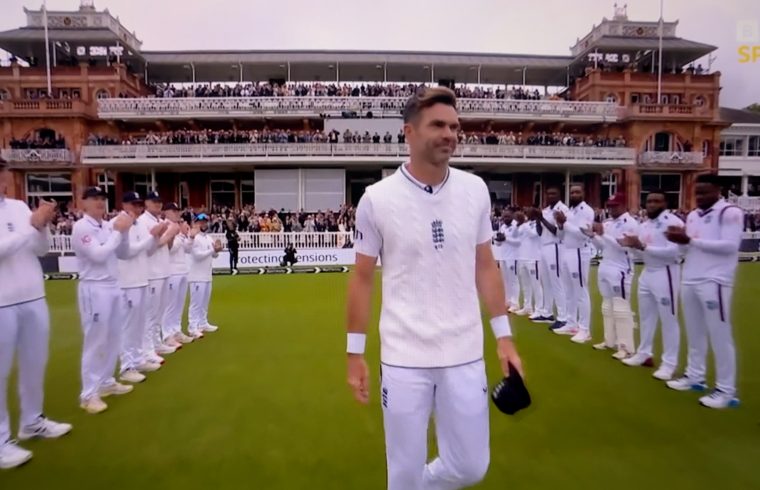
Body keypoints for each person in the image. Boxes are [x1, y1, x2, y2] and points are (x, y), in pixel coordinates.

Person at [345, 87, 523, 490]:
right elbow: (361, 278)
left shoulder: (475, 190)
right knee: (403, 473)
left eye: (455, 126)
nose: (450, 134)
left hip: (464, 351)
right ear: (408, 132)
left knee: (470, 467)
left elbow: (485, 265)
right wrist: (354, 354)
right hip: (404, 356)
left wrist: (504, 337)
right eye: (438, 125)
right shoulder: (376, 199)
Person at [0, 158, 71, 469]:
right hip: (1, 302)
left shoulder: (17, 206)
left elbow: (41, 250)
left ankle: (32, 420)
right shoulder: (22, 216)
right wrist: (30, 228)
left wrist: (41, 227)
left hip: (32, 296)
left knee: (34, 364)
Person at [664, 174, 744, 409]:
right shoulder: (693, 215)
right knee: (695, 332)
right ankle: (694, 375)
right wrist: (679, 244)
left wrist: (689, 241)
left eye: (705, 192)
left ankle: (726, 390)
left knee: (720, 335)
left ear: (717, 190)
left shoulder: (729, 212)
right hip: (690, 278)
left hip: (715, 280)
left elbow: (730, 246)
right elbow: (688, 247)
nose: (699, 197)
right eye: (697, 192)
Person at [72, 186, 135, 414]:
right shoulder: (81, 227)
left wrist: (124, 232)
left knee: (113, 336)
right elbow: (98, 255)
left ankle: (107, 382)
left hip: (113, 285)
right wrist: (119, 232)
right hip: (94, 288)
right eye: (94, 199)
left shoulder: (108, 226)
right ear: (84, 202)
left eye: (102, 198)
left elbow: (124, 253)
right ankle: (88, 394)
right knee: (95, 340)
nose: (99, 202)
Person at [618, 190, 683, 379]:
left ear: (665, 203)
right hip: (648, 272)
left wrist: (642, 247)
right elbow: (638, 254)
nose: (652, 204)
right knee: (646, 316)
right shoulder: (645, 225)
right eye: (649, 201)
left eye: (657, 201)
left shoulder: (673, 222)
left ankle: (669, 364)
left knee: (668, 319)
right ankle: (644, 352)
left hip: (667, 272)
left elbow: (674, 252)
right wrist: (631, 245)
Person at [116, 191, 164, 384]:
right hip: (127, 282)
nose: (137, 208)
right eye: (133, 205)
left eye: (138, 205)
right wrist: (150, 238)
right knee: (128, 325)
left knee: (138, 324)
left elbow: (149, 251)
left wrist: (154, 238)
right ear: (125, 205)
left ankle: (137, 359)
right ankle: (126, 366)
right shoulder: (120, 223)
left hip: (142, 279)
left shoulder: (139, 225)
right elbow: (126, 252)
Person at [586, 193, 638, 354]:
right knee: (607, 306)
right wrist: (593, 236)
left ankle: (626, 347)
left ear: (623, 205)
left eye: (615, 205)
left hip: (621, 269)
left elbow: (624, 246)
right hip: (605, 266)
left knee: (621, 308)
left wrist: (603, 234)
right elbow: (603, 246)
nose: (611, 208)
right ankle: (609, 341)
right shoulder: (608, 223)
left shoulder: (630, 223)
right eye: (609, 205)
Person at [137, 192, 180, 357]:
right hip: (152, 273)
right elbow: (149, 249)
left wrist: (170, 236)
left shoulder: (160, 221)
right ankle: (147, 350)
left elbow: (167, 247)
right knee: (151, 313)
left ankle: (156, 343)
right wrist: (168, 234)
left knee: (159, 312)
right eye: (154, 202)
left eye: (160, 202)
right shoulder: (143, 222)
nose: (158, 204)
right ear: (146, 203)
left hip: (163, 270)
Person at [553, 185, 595, 343]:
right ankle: (571, 323)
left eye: (577, 192)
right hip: (567, 250)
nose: (574, 194)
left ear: (583, 193)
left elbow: (584, 234)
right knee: (568, 290)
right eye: (572, 192)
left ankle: (585, 329)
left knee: (581, 290)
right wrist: (561, 224)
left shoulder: (587, 211)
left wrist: (566, 223)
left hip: (579, 252)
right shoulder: (569, 211)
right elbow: (561, 234)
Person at [534, 186, 570, 328]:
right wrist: (538, 218)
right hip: (544, 246)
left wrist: (541, 218)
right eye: (548, 193)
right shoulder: (546, 210)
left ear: (559, 194)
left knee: (556, 281)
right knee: (546, 282)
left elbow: (557, 231)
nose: (550, 195)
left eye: (553, 193)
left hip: (556, 246)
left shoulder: (562, 209)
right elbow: (539, 231)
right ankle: (547, 312)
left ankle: (563, 316)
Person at [162, 202, 196, 344]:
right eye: (173, 211)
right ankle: (166, 334)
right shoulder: (165, 226)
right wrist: (179, 234)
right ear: (167, 212)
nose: (177, 213)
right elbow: (170, 249)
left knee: (178, 304)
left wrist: (190, 236)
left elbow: (187, 249)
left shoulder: (179, 227)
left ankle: (176, 331)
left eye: (178, 211)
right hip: (171, 271)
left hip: (182, 270)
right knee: (170, 305)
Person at [188, 213, 222, 337]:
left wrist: (217, 249)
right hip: (197, 276)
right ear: (196, 223)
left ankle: (203, 322)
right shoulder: (194, 238)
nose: (203, 224)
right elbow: (197, 255)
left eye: (205, 222)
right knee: (196, 303)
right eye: (200, 222)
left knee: (204, 302)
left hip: (207, 275)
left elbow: (214, 255)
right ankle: (193, 327)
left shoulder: (208, 237)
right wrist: (213, 251)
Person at [515, 209, 543, 318]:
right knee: (526, 285)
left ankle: (539, 309)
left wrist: (524, 225)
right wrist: (520, 224)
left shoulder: (538, 224)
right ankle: (527, 307)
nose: (527, 214)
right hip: (522, 257)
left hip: (533, 258)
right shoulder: (525, 225)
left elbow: (534, 235)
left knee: (536, 285)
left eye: (529, 213)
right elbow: (517, 235)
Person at [494, 208, 520, 311]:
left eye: (508, 216)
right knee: (505, 280)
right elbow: (498, 243)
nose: (505, 218)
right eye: (504, 217)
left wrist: (506, 239)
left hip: (513, 257)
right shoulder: (503, 226)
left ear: (512, 216)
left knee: (513, 280)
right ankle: (508, 301)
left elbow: (518, 242)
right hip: (503, 257)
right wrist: (498, 240)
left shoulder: (516, 226)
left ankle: (515, 303)